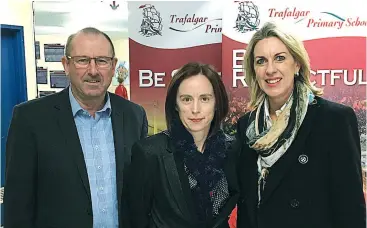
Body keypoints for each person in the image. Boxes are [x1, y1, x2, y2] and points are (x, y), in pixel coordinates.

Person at [4, 27, 148, 228]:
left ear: (113, 66)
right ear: (66, 65)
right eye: (82, 60)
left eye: (102, 60)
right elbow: (17, 204)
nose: (93, 70)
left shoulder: (134, 116)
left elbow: (142, 193)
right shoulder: (30, 119)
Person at [235, 21, 366, 228]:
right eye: (261, 61)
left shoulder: (334, 119)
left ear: (297, 64)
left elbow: (351, 208)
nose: (270, 69)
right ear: (253, 70)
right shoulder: (247, 126)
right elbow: (248, 207)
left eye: (280, 58)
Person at [125, 62, 239, 228]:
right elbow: (136, 219)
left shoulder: (233, 150)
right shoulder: (150, 153)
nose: (195, 109)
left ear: (217, 103)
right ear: (175, 105)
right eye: (186, 99)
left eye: (205, 99)